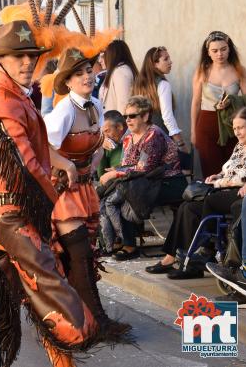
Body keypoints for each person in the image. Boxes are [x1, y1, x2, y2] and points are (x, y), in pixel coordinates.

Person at [0, 21, 99, 367]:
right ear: (0, 61)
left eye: (31, 56)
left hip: (7, 211)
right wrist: (54, 201)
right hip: (12, 214)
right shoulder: (5, 103)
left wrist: (62, 165)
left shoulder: (16, 97)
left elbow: (36, 150)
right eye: (18, 56)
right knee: (49, 287)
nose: (27, 62)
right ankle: (81, 337)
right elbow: (25, 165)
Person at [45, 47, 132, 341]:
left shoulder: (96, 104)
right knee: (78, 255)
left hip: (83, 189)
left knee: (81, 257)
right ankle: (95, 322)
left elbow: (99, 142)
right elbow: (43, 147)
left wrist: (92, 164)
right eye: (79, 73)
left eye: (89, 70)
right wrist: (67, 165)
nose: (87, 76)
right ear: (67, 81)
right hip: (61, 192)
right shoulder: (64, 110)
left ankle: (85, 319)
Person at [147, 106, 246, 278]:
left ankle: (205, 250)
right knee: (187, 207)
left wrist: (222, 182)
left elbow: (241, 179)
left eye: (241, 127)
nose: (237, 132)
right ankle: (180, 260)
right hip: (222, 189)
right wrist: (216, 176)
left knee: (209, 202)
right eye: (234, 128)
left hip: (238, 194)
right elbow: (229, 170)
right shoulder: (240, 146)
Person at [99, 96, 186, 260]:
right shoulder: (127, 138)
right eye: (126, 116)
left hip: (170, 182)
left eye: (132, 116)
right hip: (147, 182)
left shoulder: (154, 135)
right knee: (114, 193)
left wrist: (115, 173)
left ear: (145, 116)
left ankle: (130, 246)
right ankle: (116, 241)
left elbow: (144, 168)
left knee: (127, 193)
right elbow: (129, 166)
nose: (128, 120)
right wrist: (117, 170)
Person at [191, 31, 246, 177]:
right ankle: (213, 199)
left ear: (229, 49)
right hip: (207, 125)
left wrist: (232, 101)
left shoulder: (240, 70)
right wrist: (193, 131)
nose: (220, 54)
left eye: (223, 49)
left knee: (234, 170)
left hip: (233, 125)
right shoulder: (202, 72)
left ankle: (234, 199)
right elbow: (195, 103)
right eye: (215, 50)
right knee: (211, 171)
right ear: (208, 53)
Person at [133, 46, 187, 151]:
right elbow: (167, 117)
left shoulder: (138, 85)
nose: (170, 62)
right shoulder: (163, 84)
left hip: (140, 140)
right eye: (166, 59)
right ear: (154, 64)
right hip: (160, 140)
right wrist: (180, 143)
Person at [98, 40, 138, 113]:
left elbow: (124, 105)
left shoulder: (120, 72)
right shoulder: (116, 71)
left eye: (103, 56)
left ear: (113, 55)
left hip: (117, 123)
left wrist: (120, 124)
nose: (100, 60)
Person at [97, 110, 126, 179]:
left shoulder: (133, 138)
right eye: (103, 133)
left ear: (119, 127)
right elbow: (101, 175)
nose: (105, 137)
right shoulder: (109, 143)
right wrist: (100, 148)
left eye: (107, 131)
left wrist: (117, 170)